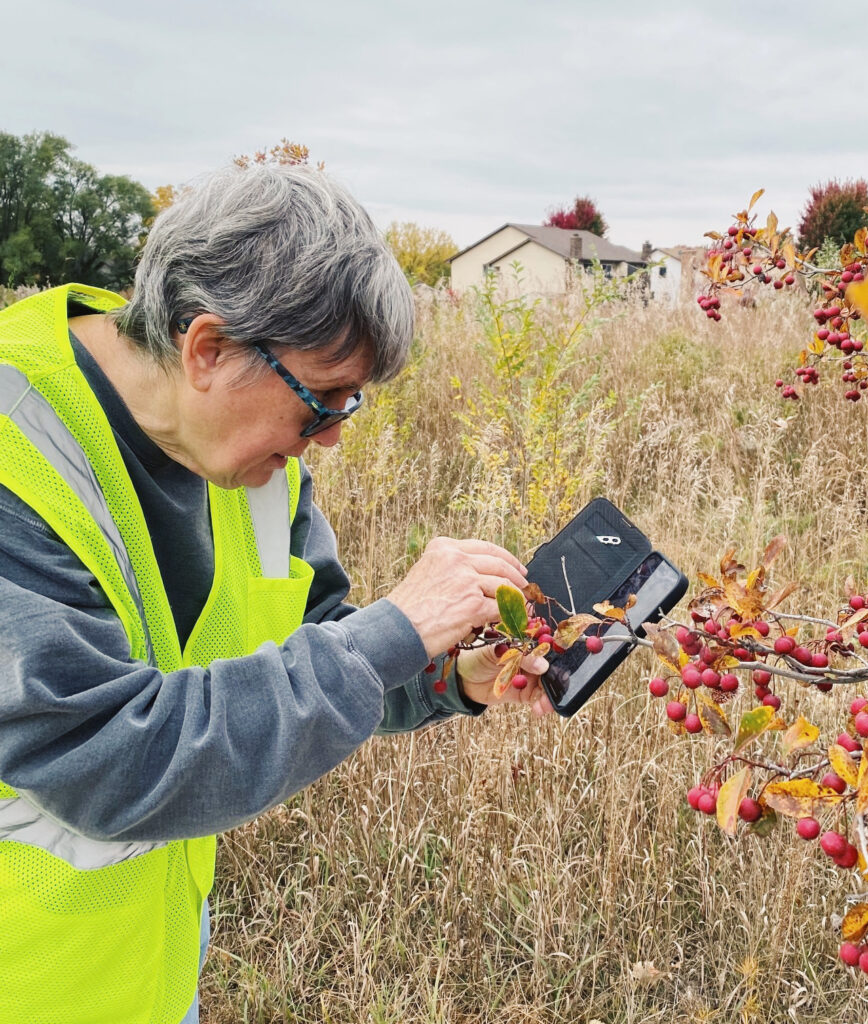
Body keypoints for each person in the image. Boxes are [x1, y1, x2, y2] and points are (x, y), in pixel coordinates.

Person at [0, 162, 552, 1024]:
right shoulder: (13, 452)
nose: (328, 439)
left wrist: (448, 672)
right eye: (319, 400)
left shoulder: (258, 462)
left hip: (150, 975)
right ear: (208, 348)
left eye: (350, 405)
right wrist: (394, 630)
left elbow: (317, 640)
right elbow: (103, 760)